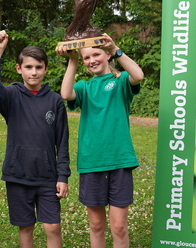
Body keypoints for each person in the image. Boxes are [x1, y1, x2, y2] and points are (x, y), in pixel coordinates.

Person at [0, 30, 70, 248]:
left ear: (46, 69)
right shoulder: (10, 96)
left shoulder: (55, 101)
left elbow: (63, 141)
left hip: (48, 177)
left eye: (39, 67)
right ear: (19, 69)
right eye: (29, 67)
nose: (34, 72)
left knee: (53, 227)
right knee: (26, 227)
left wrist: (63, 176)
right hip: (18, 175)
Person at [56, 33, 144, 248]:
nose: (92, 60)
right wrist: (73, 60)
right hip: (91, 161)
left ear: (107, 55)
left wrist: (116, 49)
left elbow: (138, 76)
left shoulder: (120, 80)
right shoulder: (84, 87)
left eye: (96, 54)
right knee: (96, 225)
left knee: (119, 227)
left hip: (119, 160)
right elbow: (65, 94)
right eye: (87, 57)